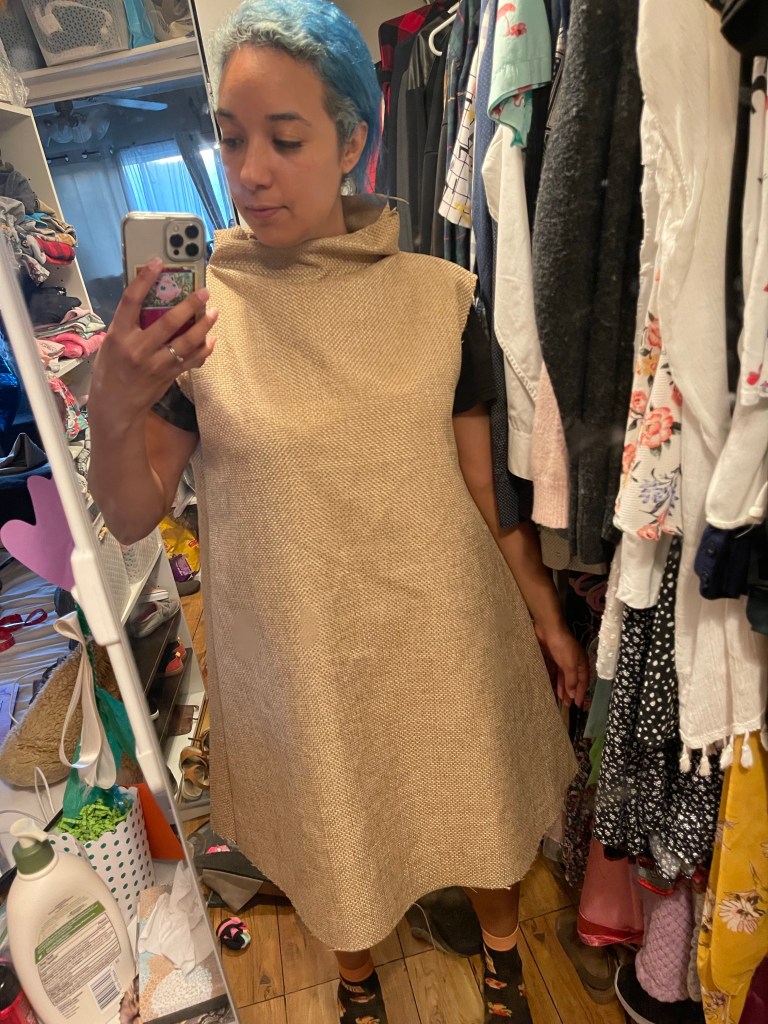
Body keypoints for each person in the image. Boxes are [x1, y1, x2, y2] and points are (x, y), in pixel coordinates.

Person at [88, 2, 588, 1021]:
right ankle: (357, 985)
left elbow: (484, 490)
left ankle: (503, 959)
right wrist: (112, 402)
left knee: (476, 801)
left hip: (440, 624)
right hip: (297, 647)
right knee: (333, 830)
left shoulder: (440, 297)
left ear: (353, 141)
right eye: (232, 138)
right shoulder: (199, 321)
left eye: (285, 139)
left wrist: (543, 613)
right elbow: (134, 515)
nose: (251, 171)